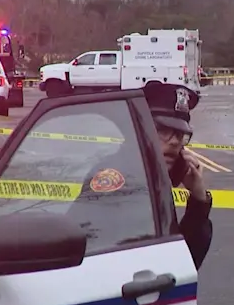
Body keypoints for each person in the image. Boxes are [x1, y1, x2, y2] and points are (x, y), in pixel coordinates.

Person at [78, 83, 213, 269]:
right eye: (163, 130)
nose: (175, 142)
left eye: (180, 134)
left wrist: (199, 200)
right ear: (139, 130)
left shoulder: (154, 181)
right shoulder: (116, 181)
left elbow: (184, 262)